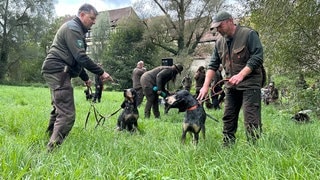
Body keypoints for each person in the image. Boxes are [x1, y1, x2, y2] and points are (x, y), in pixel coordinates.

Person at [41, 4, 113, 152]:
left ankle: (48, 138)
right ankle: (51, 151)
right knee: (67, 114)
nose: (94, 22)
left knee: (59, 108)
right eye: (91, 18)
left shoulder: (76, 29)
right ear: (82, 15)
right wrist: (101, 72)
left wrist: (86, 78)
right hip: (58, 71)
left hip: (58, 70)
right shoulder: (73, 29)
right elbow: (81, 57)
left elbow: (75, 60)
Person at [197, 11, 264, 146]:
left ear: (230, 21)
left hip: (250, 83)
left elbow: (258, 57)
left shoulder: (248, 34)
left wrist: (241, 75)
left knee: (251, 117)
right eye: (216, 27)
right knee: (228, 116)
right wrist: (205, 86)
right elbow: (213, 65)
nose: (218, 30)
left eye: (220, 26)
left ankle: (254, 149)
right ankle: (228, 146)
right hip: (231, 84)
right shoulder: (219, 42)